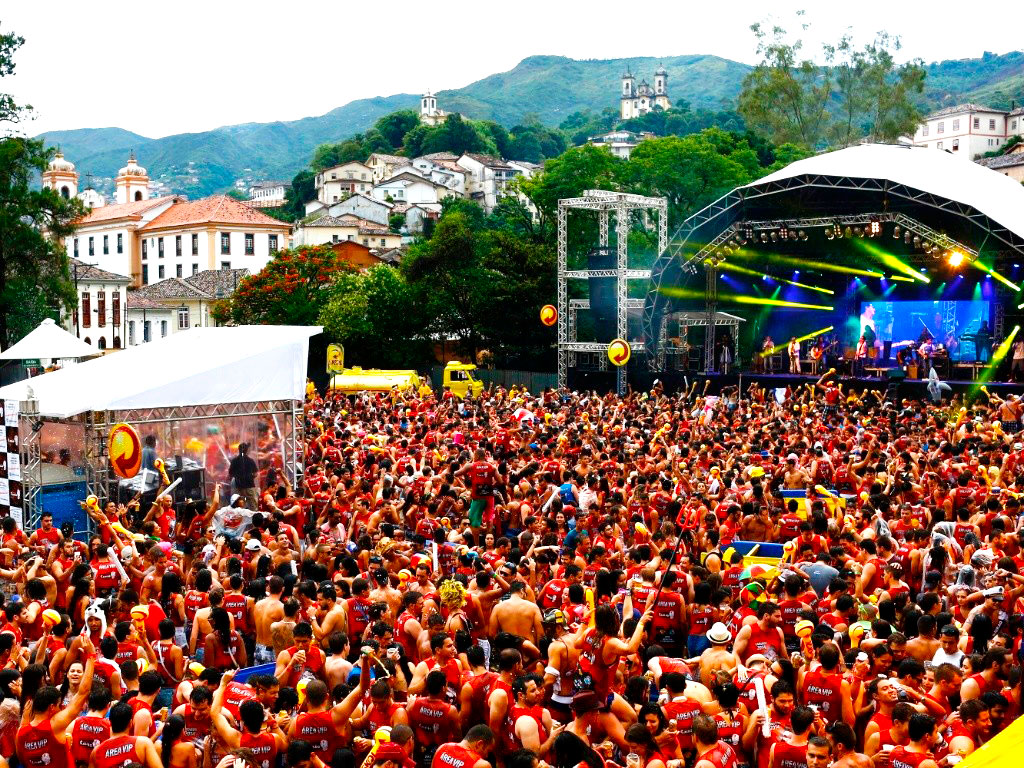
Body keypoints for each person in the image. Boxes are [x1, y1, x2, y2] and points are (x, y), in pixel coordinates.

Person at [228, 443, 259, 511]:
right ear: (247, 451)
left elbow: (230, 473)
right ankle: (254, 519)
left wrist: (238, 477)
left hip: (238, 486)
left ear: (239, 450)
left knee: (239, 505)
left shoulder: (234, 461)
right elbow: (256, 473)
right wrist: (250, 477)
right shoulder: (250, 460)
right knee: (253, 505)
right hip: (249, 485)